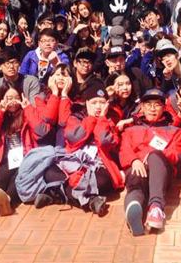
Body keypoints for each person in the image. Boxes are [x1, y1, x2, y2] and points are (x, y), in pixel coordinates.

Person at [33, 82, 122, 213]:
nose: (98, 106)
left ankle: (58, 195)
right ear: (86, 103)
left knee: (103, 181)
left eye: (102, 102)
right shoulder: (75, 117)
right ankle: (90, 201)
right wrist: (91, 118)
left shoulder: (111, 120)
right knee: (50, 173)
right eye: (94, 102)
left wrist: (102, 119)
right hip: (73, 162)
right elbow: (74, 138)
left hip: (98, 165)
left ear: (107, 104)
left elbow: (104, 140)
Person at [120, 88, 181, 235]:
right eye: (148, 104)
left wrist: (152, 155)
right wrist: (134, 160)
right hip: (138, 169)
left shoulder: (174, 130)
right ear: (141, 107)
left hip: (161, 173)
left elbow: (176, 153)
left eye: (157, 105)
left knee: (155, 156)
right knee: (134, 182)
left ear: (164, 108)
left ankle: (156, 208)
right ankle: (134, 208)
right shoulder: (131, 130)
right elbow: (124, 149)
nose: (152, 108)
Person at [0, 84, 45, 217]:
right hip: (5, 158)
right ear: (2, 99)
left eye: (17, 97)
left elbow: (41, 131)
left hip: (26, 157)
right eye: (9, 98)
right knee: (1, 175)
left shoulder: (28, 113)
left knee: (18, 176)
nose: (13, 101)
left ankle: (7, 201)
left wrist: (28, 108)